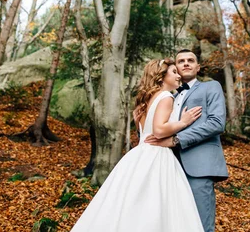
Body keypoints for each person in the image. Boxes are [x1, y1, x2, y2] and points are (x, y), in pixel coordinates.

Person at [71, 58, 205, 231]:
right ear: (161, 76)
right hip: (157, 155)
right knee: (156, 206)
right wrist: (183, 122)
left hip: (139, 154)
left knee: (129, 204)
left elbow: (145, 132)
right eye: (173, 72)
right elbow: (158, 131)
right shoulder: (166, 97)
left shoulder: (145, 101)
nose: (178, 75)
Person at [146, 49, 228, 232]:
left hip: (198, 167)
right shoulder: (168, 97)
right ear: (175, 68)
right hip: (168, 166)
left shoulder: (211, 87)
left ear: (198, 67)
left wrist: (176, 140)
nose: (186, 63)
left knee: (201, 224)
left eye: (190, 60)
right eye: (181, 61)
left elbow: (217, 123)